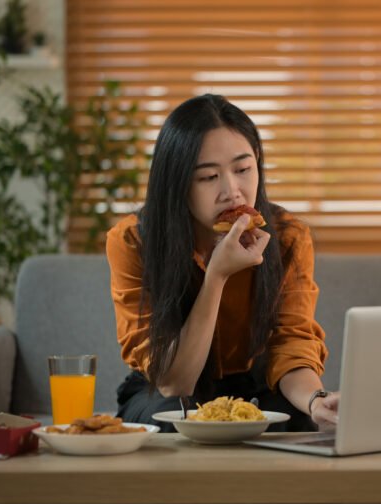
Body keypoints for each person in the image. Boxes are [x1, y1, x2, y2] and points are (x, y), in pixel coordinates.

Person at [106, 94, 339, 453]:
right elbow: (173, 382)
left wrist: (315, 400)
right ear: (177, 183)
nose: (232, 192)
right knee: (171, 422)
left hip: (259, 385)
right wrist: (216, 276)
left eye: (243, 170)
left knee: (303, 422)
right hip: (165, 388)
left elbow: (291, 344)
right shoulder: (133, 241)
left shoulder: (288, 237)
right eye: (209, 177)